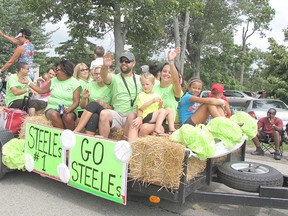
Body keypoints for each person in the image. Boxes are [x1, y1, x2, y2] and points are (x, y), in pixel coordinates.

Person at [19, 60, 80, 130]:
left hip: (69, 109)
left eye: (57, 70)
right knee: (54, 115)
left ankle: (71, 136)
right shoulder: (53, 81)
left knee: (67, 117)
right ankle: (62, 135)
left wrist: (68, 110)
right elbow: (41, 91)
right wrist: (28, 83)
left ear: (65, 71)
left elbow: (76, 102)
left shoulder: (75, 83)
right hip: (52, 108)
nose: (55, 72)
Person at [136, 48, 183, 137]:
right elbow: (140, 104)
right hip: (152, 118)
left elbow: (176, 80)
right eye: (164, 71)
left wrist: (171, 62)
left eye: (170, 72)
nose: (166, 74)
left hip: (165, 123)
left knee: (145, 128)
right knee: (136, 122)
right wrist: (139, 117)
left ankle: (170, 130)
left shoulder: (174, 89)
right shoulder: (151, 86)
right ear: (160, 73)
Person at [98, 51, 142, 138]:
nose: (124, 63)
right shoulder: (114, 77)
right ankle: (104, 143)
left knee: (132, 115)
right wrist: (105, 66)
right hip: (117, 115)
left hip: (132, 116)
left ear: (133, 63)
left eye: (127, 61)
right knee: (103, 113)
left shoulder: (140, 79)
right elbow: (104, 76)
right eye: (122, 61)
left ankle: (125, 144)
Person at [128, 72, 175, 141]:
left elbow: (159, 110)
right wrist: (152, 101)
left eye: (147, 84)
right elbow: (141, 108)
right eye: (143, 85)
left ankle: (172, 129)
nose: (145, 86)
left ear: (153, 84)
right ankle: (157, 130)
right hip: (147, 118)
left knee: (168, 109)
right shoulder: (141, 95)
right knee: (162, 111)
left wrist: (160, 105)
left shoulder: (156, 95)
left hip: (155, 117)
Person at [74, 66, 112, 135]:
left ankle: (75, 132)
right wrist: (84, 98)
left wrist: (105, 104)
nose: (98, 76)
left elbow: (114, 108)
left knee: (94, 104)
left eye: (100, 74)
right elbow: (83, 107)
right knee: (94, 116)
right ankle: (89, 139)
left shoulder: (111, 87)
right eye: (96, 74)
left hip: (105, 114)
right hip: (92, 114)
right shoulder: (90, 85)